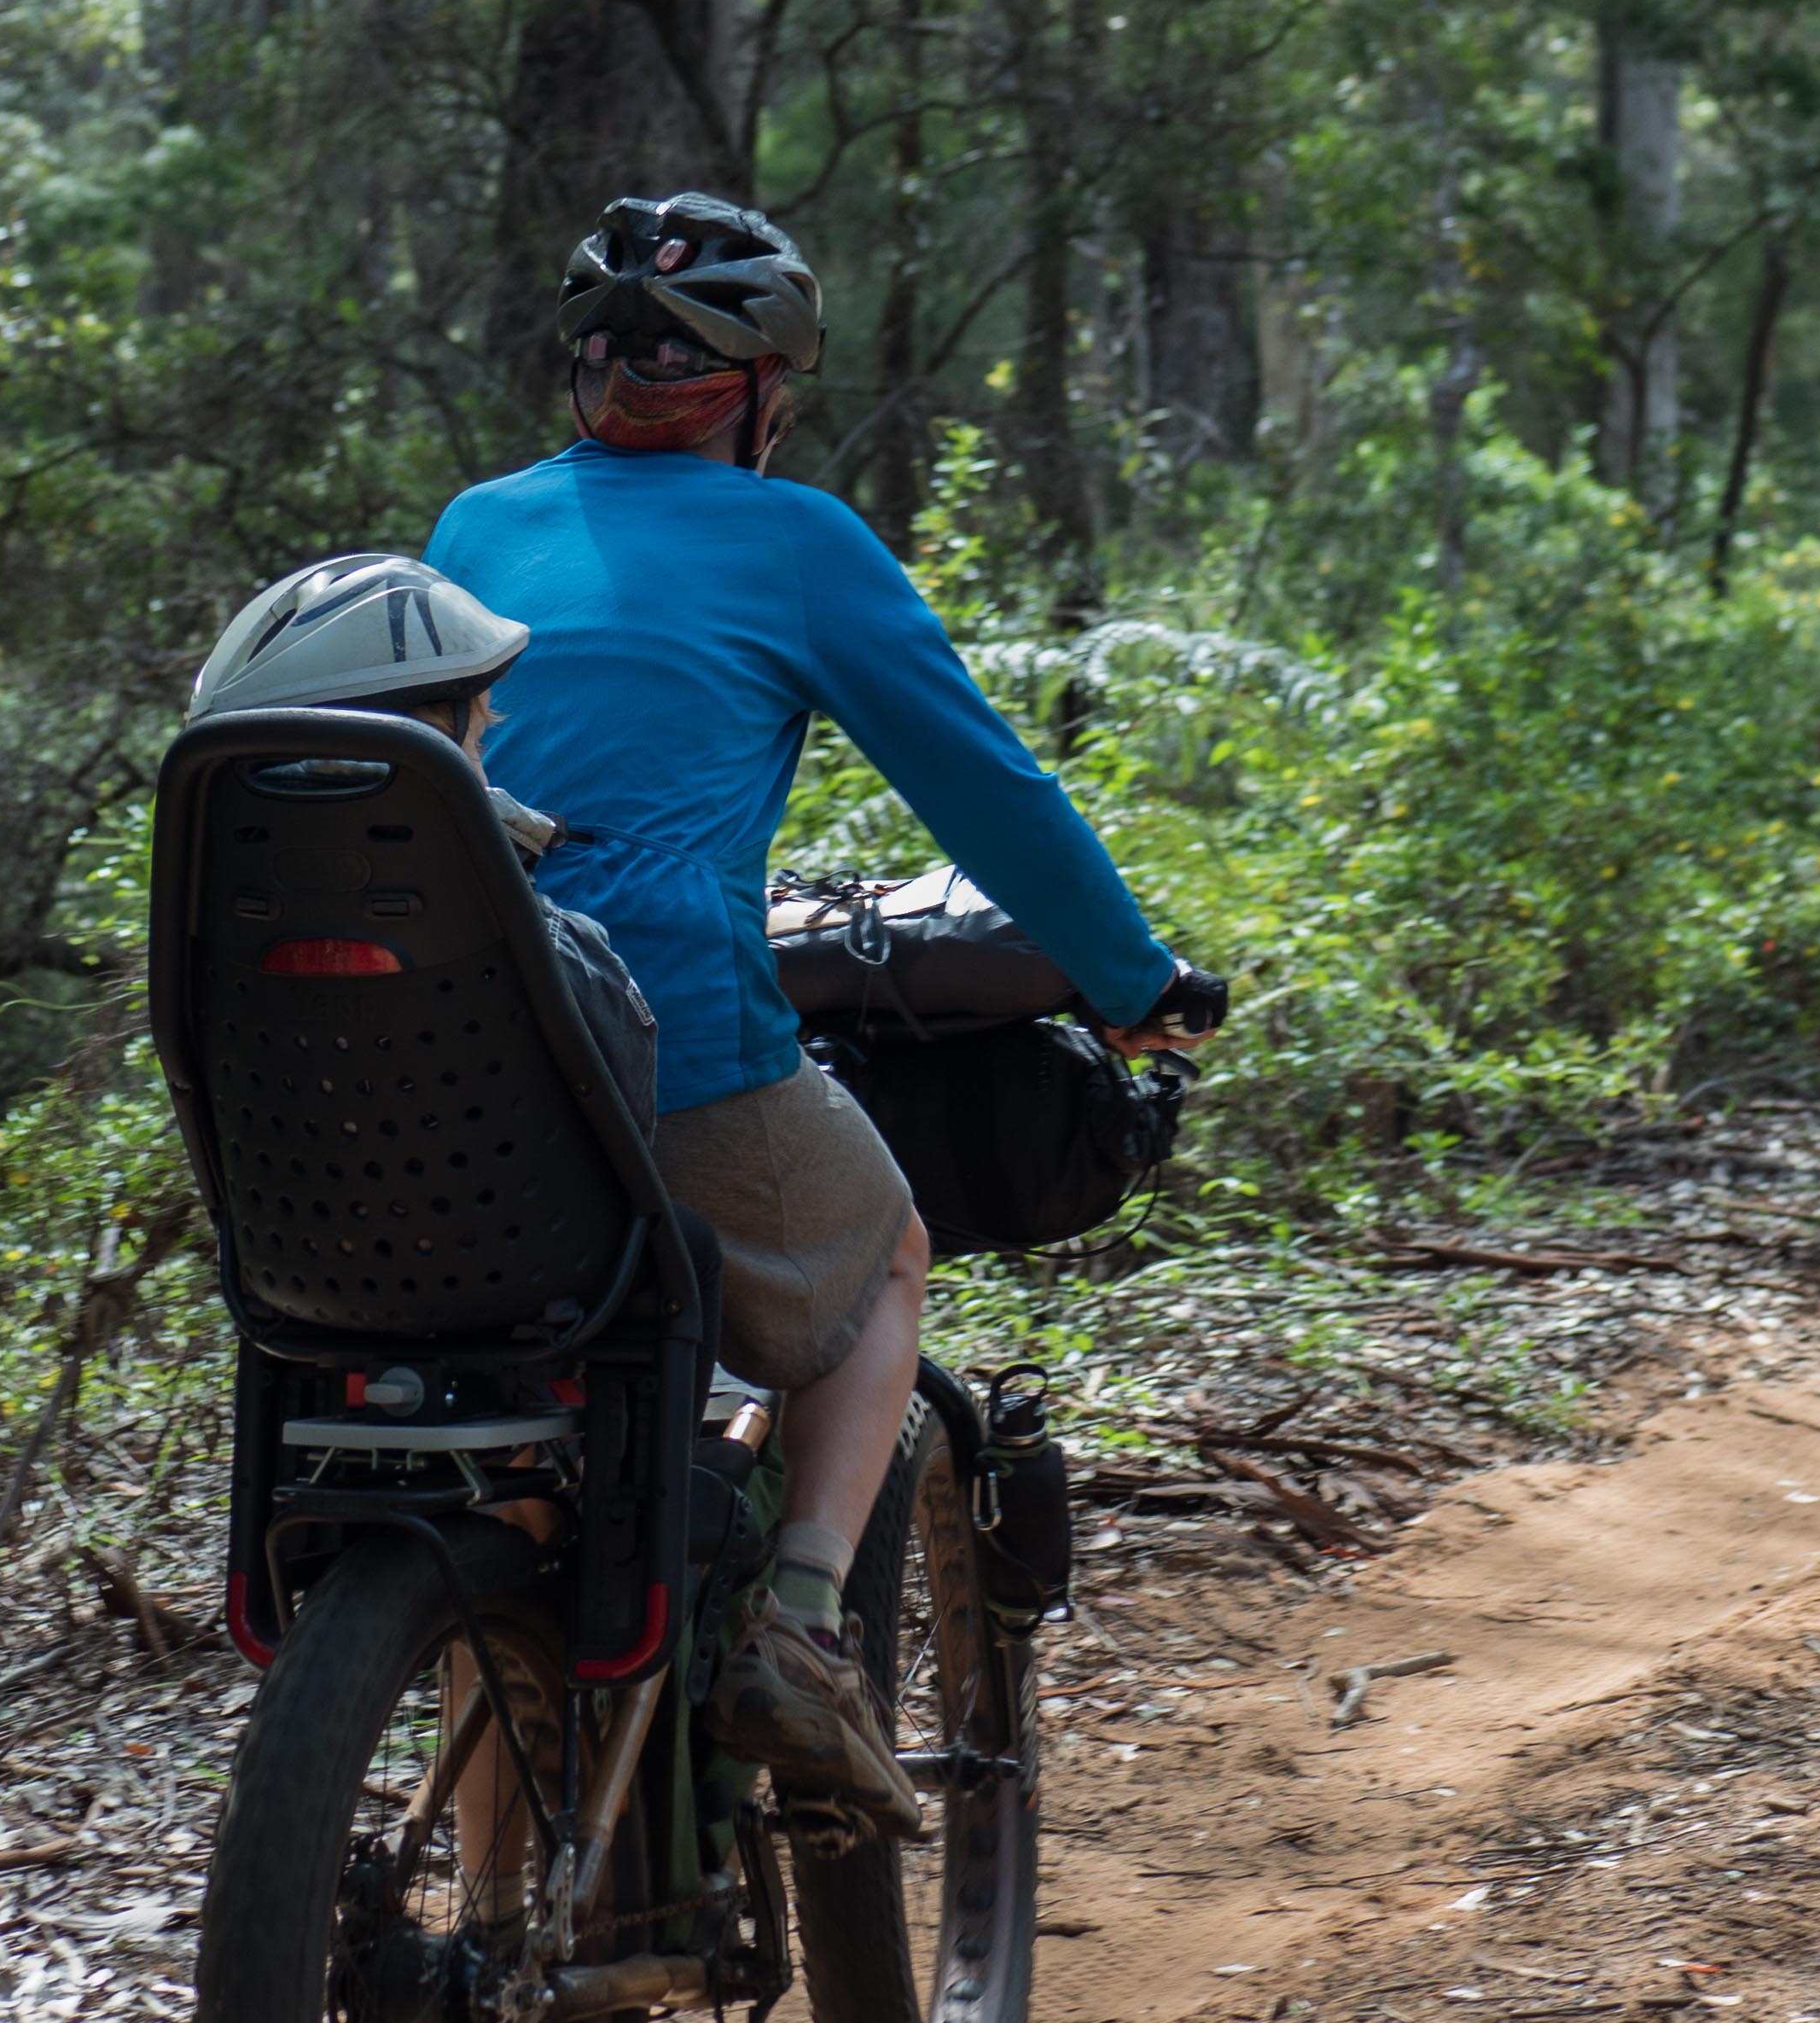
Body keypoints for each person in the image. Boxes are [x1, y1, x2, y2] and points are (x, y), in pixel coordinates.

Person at [423, 189, 1225, 1840]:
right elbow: (985, 790)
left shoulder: (471, 529)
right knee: (881, 1261)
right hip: (667, 1033)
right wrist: (1132, 984)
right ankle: (795, 1624)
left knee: (513, 1444)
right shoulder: (795, 543)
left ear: (590, 374)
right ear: (760, 393)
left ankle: (490, 1899)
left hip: (452, 1057)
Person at [185, 550, 658, 1126]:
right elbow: (626, 1117)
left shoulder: (210, 946)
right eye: (476, 745)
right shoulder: (547, 945)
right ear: (425, 766)